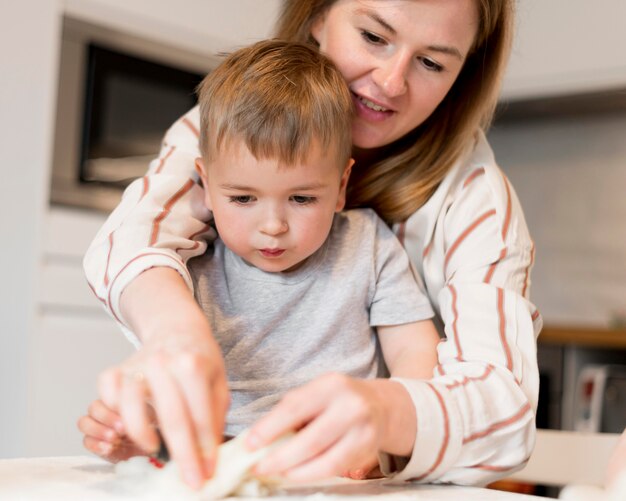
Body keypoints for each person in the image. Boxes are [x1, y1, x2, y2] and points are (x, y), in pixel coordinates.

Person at [82, 0, 542, 490]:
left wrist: (387, 418)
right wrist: (173, 336)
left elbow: (504, 408)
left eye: (431, 63)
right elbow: (135, 236)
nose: (390, 82)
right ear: (317, 16)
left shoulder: (473, 202)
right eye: (374, 36)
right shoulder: (234, 119)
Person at [78, 38, 440, 479]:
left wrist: (384, 436)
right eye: (243, 197)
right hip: (220, 466)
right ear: (206, 185)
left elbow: (417, 354)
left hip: (333, 465)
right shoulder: (191, 262)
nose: (273, 225)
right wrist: (144, 430)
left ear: (342, 184)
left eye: (302, 198)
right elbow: (177, 401)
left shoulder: (369, 246)